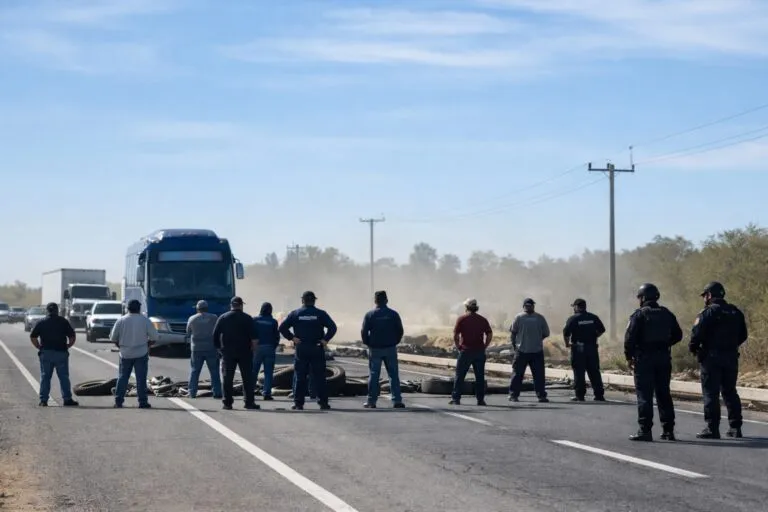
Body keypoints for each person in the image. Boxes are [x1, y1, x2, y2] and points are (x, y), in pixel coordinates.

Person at [689, 281, 748, 439]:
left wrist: (694, 349)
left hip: (711, 358)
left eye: (705, 296)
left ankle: (712, 428)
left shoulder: (708, 312)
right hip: (731, 358)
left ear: (709, 295)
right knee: (730, 392)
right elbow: (743, 335)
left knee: (711, 393)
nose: (704, 299)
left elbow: (696, 335)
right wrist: (730, 347)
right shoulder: (735, 312)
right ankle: (735, 428)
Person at [624, 283, 683, 441]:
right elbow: (678, 335)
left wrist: (629, 357)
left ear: (643, 298)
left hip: (644, 359)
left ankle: (645, 430)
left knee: (645, 395)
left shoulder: (639, 315)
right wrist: (665, 344)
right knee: (664, 394)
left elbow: (629, 338)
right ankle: (668, 431)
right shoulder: (666, 313)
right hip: (663, 358)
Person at [279, 291, 337, 410]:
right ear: (314, 301)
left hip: (302, 348)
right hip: (317, 348)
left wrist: (292, 338)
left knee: (300, 376)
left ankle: (298, 403)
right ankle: (323, 403)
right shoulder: (320, 314)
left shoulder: (295, 313)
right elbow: (333, 327)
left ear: (302, 300)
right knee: (320, 376)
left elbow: (282, 327)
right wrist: (325, 340)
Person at [109, 299, 158, 409]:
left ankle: (118, 401)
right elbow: (154, 337)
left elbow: (113, 338)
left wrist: (120, 347)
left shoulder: (121, 320)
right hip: (141, 353)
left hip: (125, 353)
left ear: (128, 308)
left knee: (122, 378)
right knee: (141, 379)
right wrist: (147, 345)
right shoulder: (145, 320)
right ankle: (143, 402)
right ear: (139, 308)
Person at [212, 296, 259, 410]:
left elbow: (215, 335)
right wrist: (253, 349)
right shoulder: (247, 318)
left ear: (231, 305)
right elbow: (254, 338)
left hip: (228, 353)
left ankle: (227, 403)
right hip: (245, 353)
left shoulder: (223, 317)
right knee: (247, 378)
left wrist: (219, 348)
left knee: (227, 378)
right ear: (241, 305)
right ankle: (249, 402)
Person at [361, 290, 405, 409]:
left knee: (374, 375)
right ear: (387, 300)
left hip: (375, 349)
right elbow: (400, 331)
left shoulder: (370, 315)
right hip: (390, 348)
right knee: (393, 375)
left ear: (375, 301)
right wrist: (394, 342)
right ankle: (397, 401)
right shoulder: (393, 314)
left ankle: (371, 401)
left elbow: (364, 332)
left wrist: (369, 343)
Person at [30, 302, 78, 407]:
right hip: (61, 353)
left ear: (47, 311)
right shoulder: (63, 321)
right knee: (64, 377)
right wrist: (68, 345)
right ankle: (67, 399)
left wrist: (38, 347)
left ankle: (43, 400)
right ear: (57, 310)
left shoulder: (41, 322)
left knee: (45, 377)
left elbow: (33, 337)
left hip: (46, 353)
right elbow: (72, 337)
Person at [450, 298, 493, 406]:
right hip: (479, 352)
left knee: (460, 376)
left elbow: (456, 335)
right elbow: (489, 334)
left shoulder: (462, 319)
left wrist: (458, 346)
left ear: (466, 307)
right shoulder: (483, 320)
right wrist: (485, 346)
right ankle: (480, 400)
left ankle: (456, 398)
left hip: (466, 351)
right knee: (480, 377)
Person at [562, 298, 606, 402]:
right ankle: (599, 395)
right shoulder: (593, 317)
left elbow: (566, 333)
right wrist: (594, 336)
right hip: (592, 348)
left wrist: (567, 344)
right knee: (594, 371)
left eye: (574, 307)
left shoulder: (573, 319)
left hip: (578, 349)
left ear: (576, 307)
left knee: (579, 372)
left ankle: (580, 396)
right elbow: (602, 330)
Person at [508, 298, 550, 403]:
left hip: (536, 352)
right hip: (522, 351)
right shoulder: (518, 317)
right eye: (527, 305)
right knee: (517, 374)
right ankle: (513, 395)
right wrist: (515, 346)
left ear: (533, 306)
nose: (529, 307)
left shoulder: (540, 318)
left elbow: (546, 333)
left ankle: (541, 396)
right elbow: (513, 333)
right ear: (523, 306)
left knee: (539, 376)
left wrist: (536, 340)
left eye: (531, 305)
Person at [186, 300, 222, 399]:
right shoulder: (214, 317)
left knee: (195, 371)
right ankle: (217, 392)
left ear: (198, 309)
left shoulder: (192, 318)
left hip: (196, 348)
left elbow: (188, 332)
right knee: (214, 371)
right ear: (207, 308)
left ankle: (192, 392)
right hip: (211, 347)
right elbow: (218, 331)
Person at [252, 302, 280, 401]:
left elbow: (251, 333)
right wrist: (273, 346)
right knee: (268, 372)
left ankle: (250, 391)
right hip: (269, 347)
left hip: (257, 348)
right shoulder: (273, 322)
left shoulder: (255, 320)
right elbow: (276, 336)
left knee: (254, 371)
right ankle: (267, 393)